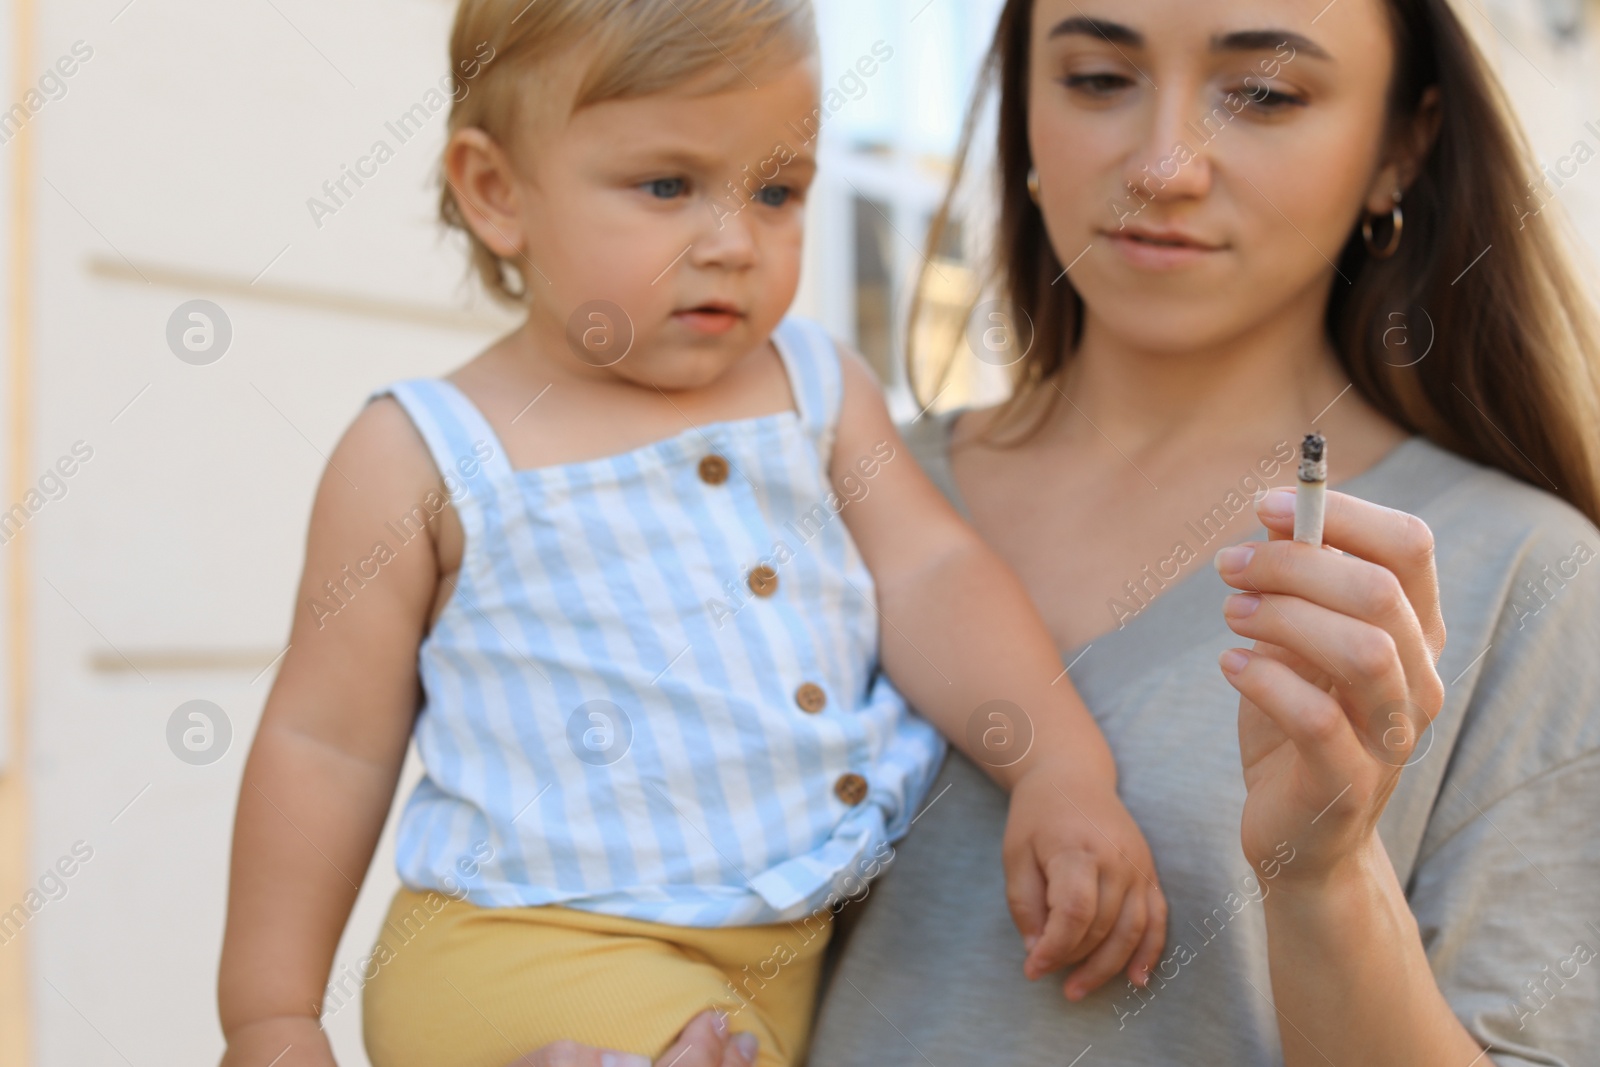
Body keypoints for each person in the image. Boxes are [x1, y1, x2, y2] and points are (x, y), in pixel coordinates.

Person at [526, 0, 1600, 1064]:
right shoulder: (810, 492)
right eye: (1096, 79)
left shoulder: (1528, 578)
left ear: (1399, 147)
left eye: (1263, 94)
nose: (1163, 165)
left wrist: (1323, 884)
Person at [213, 2, 1172, 1066]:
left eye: (777, 191)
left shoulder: (812, 392)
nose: (732, 242)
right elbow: (324, 743)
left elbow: (932, 572)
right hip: (530, 947)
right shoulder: (423, 453)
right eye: (667, 186)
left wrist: (1059, 768)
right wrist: (271, 1014)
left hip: (779, 955)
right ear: (496, 191)